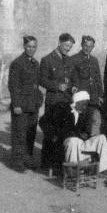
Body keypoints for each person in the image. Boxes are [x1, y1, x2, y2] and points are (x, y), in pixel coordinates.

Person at [39, 33, 75, 175]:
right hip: (53, 101)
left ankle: (58, 164)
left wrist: (72, 87)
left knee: (62, 133)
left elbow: (70, 79)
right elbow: (42, 80)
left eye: (70, 47)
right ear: (59, 43)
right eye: (66, 46)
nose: (68, 49)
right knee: (50, 133)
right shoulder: (47, 59)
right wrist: (56, 86)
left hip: (65, 101)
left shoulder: (69, 60)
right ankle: (47, 164)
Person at [8, 36, 43, 171]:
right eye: (29, 46)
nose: (31, 49)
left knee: (30, 133)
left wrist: (39, 100)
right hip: (21, 104)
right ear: (24, 47)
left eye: (34, 47)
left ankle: (27, 159)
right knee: (19, 134)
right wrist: (16, 104)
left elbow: (37, 84)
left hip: (33, 104)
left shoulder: (35, 63)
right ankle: (17, 162)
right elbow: (13, 86)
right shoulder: (17, 63)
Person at [62, 90, 107, 173]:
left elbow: (87, 131)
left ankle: (104, 168)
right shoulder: (66, 111)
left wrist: (86, 134)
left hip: (82, 142)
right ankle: (73, 169)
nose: (85, 107)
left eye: (86, 104)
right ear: (77, 102)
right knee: (73, 140)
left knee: (101, 138)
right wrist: (78, 135)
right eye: (83, 104)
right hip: (70, 142)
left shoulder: (85, 113)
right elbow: (64, 130)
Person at [69, 35, 104, 137]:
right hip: (81, 97)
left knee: (89, 123)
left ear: (93, 47)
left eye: (90, 46)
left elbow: (98, 79)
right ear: (81, 45)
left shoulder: (94, 60)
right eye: (85, 45)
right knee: (79, 122)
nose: (87, 48)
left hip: (92, 97)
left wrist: (100, 95)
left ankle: (86, 146)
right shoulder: (74, 59)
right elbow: (71, 78)